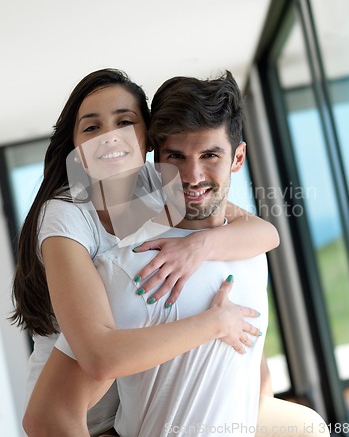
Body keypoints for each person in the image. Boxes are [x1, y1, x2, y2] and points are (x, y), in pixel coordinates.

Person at [23, 71, 329, 436]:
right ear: (75, 146)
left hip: (129, 391)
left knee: (307, 427)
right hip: (81, 415)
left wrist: (196, 247)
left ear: (146, 141)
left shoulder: (161, 181)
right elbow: (97, 357)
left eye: (125, 121)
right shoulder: (66, 216)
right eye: (91, 128)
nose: (110, 136)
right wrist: (215, 324)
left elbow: (264, 231)